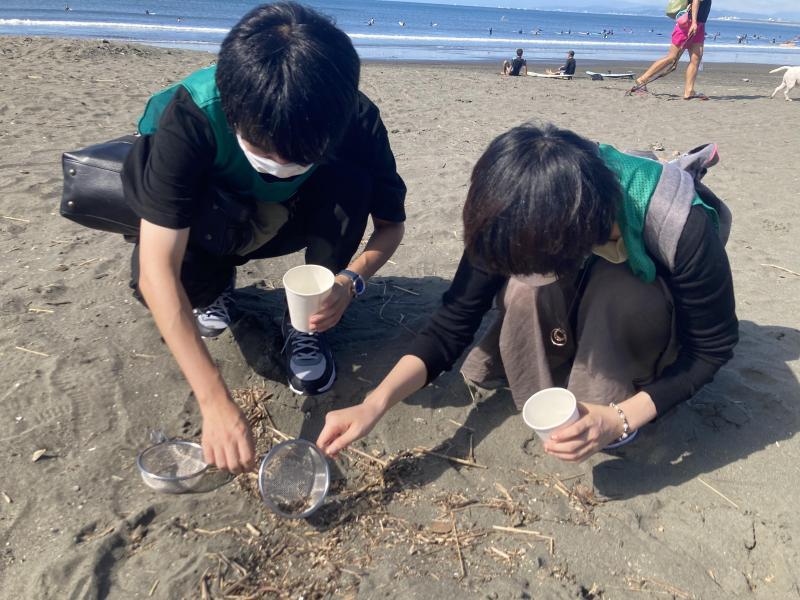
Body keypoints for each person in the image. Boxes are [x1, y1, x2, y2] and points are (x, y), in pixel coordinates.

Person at [317, 124, 738, 463]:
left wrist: (620, 419)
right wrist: (374, 405)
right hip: (575, 260)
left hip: (652, 298)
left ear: (575, 243)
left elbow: (711, 349)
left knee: (618, 293)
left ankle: (612, 387)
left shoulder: (682, 227)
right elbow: (452, 322)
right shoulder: (516, 209)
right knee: (523, 293)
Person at [121, 2, 406, 473]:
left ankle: (304, 325)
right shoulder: (192, 114)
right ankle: (214, 294)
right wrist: (213, 399)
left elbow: (391, 227)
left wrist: (350, 280)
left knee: (352, 181)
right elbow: (157, 270)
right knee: (157, 284)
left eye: (300, 155)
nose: (281, 162)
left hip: (288, 219)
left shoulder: (354, 119)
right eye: (264, 148)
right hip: (210, 217)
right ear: (232, 111)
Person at [633, 0, 712, 99]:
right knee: (672, 57)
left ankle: (689, 91)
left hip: (700, 24)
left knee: (696, 58)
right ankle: (642, 79)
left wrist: (698, 24)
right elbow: (696, 1)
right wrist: (694, 23)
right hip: (689, 23)